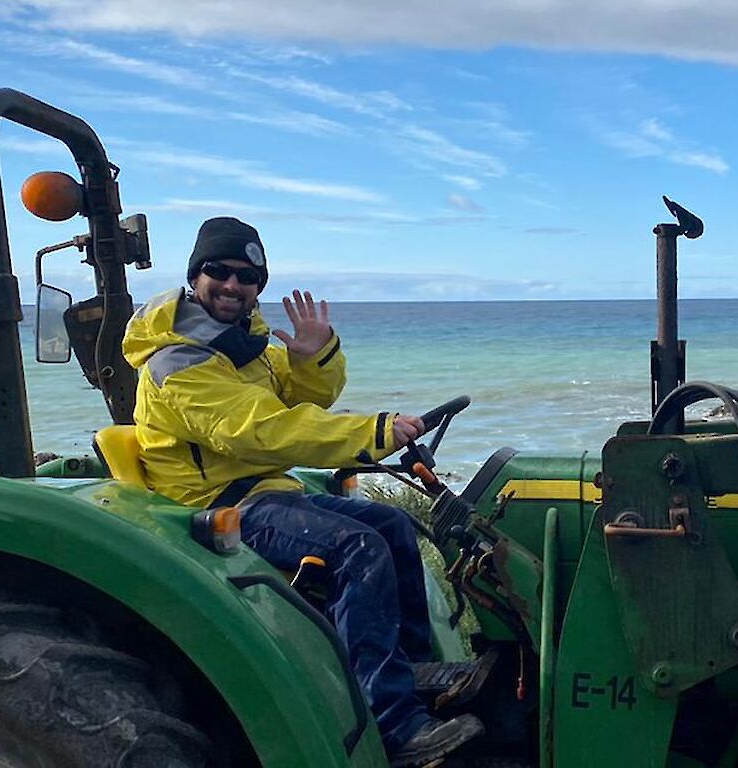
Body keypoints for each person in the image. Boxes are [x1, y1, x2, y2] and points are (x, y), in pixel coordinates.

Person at [120, 216, 483, 766]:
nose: (231, 284)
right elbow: (263, 429)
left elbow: (303, 401)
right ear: (196, 275)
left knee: (390, 525)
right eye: (218, 271)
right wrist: (376, 432)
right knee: (355, 548)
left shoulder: (244, 345)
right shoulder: (179, 363)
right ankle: (395, 728)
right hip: (220, 504)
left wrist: (314, 355)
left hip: (265, 491)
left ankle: (410, 669)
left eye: (247, 276)